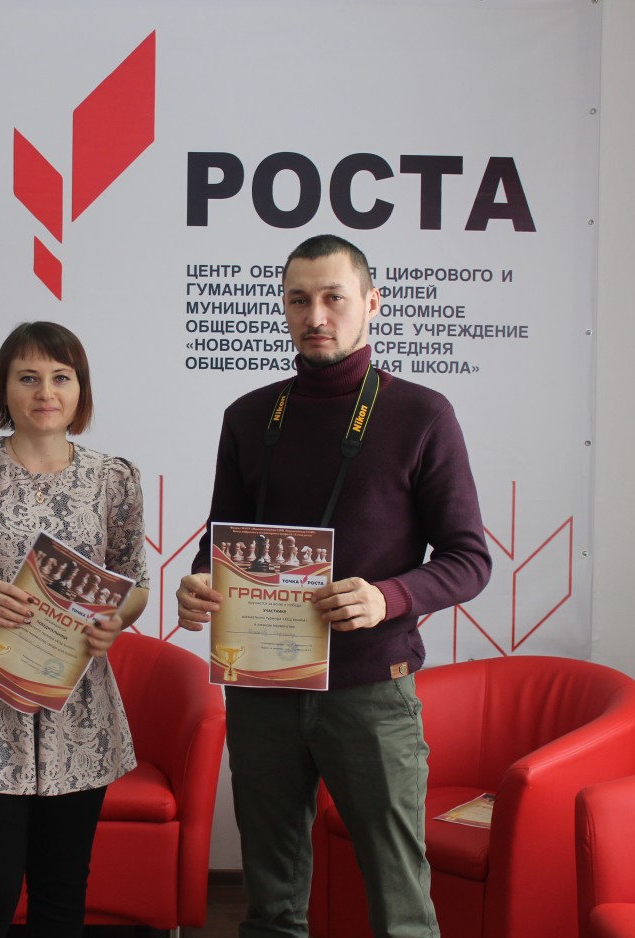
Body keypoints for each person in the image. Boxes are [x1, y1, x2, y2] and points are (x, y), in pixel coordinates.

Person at [176, 234, 492, 938]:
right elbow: (222, 538)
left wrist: (388, 597)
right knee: (271, 905)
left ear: (371, 304)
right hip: (261, 685)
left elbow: (469, 559)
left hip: (370, 690)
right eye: (298, 300)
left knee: (400, 907)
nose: (314, 315)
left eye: (333, 298)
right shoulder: (249, 416)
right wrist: (198, 583)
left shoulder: (422, 414)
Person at [0, 321, 149, 938]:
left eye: (61, 377)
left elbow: (135, 583)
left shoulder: (114, 478)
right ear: (4, 388)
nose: (46, 392)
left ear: (80, 389)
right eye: (28, 377)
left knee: (63, 890)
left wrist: (115, 621)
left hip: (79, 709)